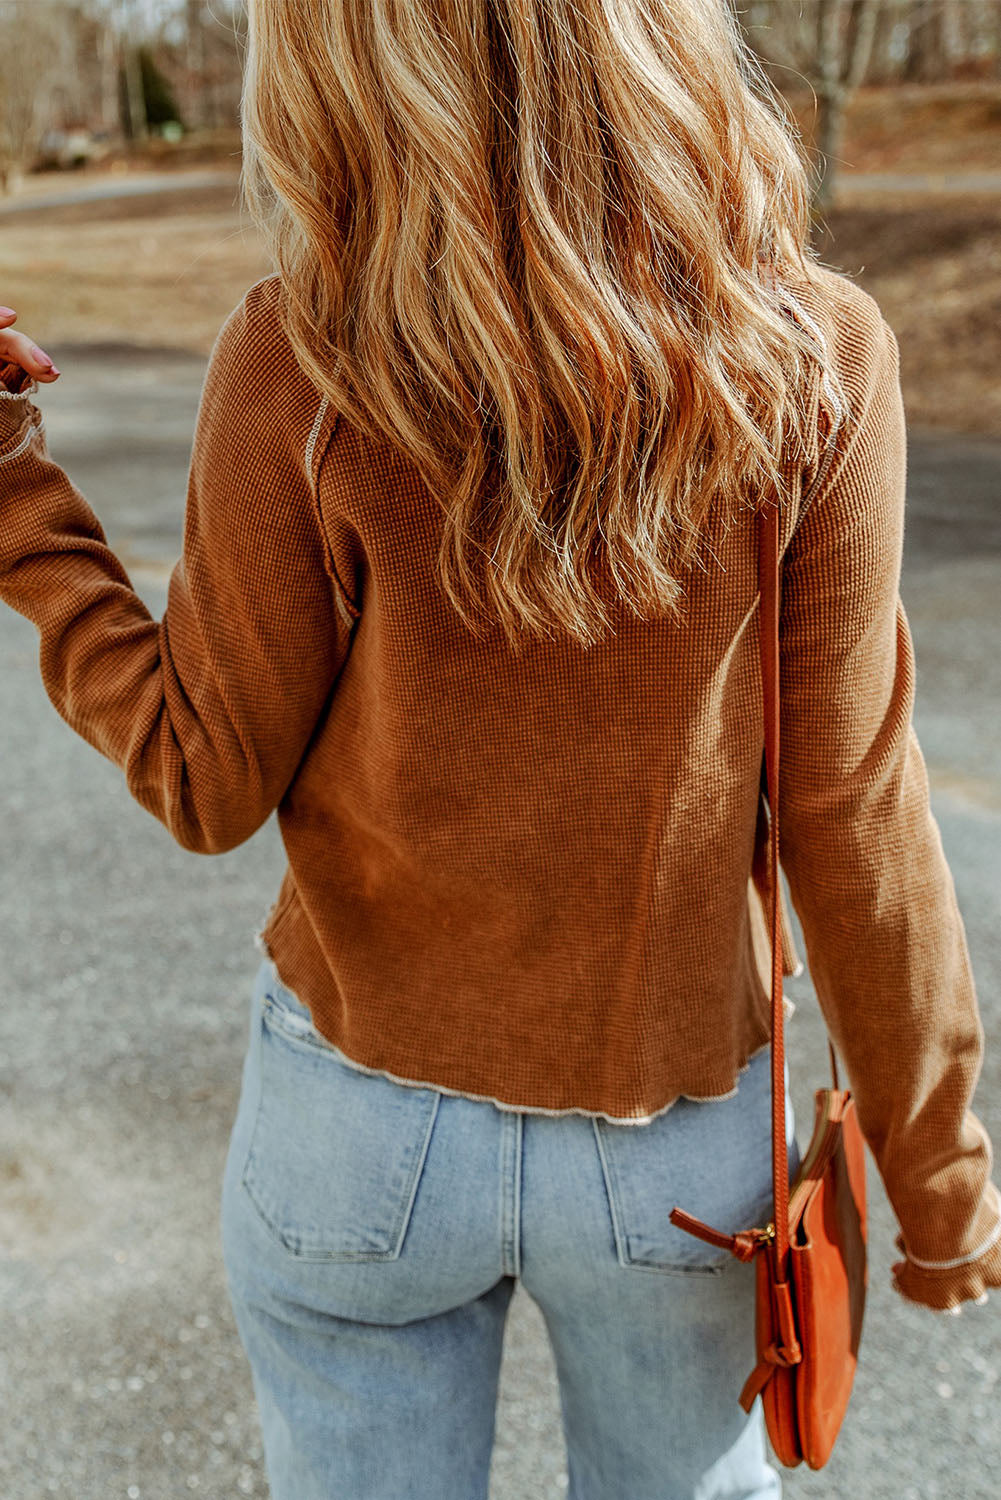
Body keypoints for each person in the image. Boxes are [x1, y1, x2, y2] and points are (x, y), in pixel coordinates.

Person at [1, 0, 998, 1495]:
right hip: (676, 1157)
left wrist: (17, 496)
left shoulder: (301, 358)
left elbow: (203, 779)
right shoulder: (811, 355)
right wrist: (939, 1182)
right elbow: (852, 815)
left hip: (358, 1131)